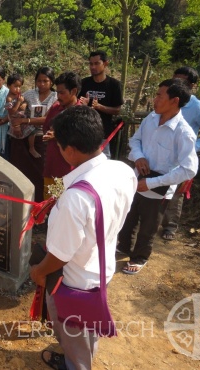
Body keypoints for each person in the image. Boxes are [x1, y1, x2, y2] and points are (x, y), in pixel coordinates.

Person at [30, 105, 137, 370]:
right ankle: (83, 355)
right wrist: (51, 199)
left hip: (73, 281)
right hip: (101, 268)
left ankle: (76, 365)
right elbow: (69, 182)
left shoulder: (76, 199)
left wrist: (39, 272)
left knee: (74, 332)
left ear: (69, 150)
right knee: (89, 327)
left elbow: (60, 255)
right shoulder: (122, 170)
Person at [117, 79, 198, 274]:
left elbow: (189, 169)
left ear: (174, 100)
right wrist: (139, 157)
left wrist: (153, 183)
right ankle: (122, 247)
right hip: (138, 179)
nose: (155, 99)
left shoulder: (183, 132)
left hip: (159, 187)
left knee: (148, 226)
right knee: (128, 217)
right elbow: (134, 140)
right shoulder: (151, 119)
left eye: (160, 95)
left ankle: (140, 257)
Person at [161, 66, 200, 240]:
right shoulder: (166, 100)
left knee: (176, 192)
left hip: (182, 157)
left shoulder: (197, 106)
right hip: (162, 152)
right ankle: (152, 219)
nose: (177, 83)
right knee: (157, 185)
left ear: (192, 85)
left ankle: (170, 227)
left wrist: (194, 147)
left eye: (183, 81)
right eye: (175, 79)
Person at [9, 67, 57, 203]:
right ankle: (22, 201)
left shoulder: (56, 97)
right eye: (39, 81)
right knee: (22, 171)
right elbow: (19, 110)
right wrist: (17, 123)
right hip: (25, 137)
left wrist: (25, 120)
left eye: (45, 81)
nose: (41, 84)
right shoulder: (29, 94)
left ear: (51, 82)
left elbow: (48, 119)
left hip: (44, 138)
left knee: (42, 173)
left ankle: (41, 204)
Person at [42, 71, 82, 200]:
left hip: (67, 172)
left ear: (74, 91)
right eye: (57, 92)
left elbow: (81, 140)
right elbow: (46, 128)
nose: (58, 96)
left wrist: (58, 135)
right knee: (49, 204)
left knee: (62, 204)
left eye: (62, 93)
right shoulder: (55, 108)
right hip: (51, 167)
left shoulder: (80, 113)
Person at [78, 51, 124, 159]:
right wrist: (82, 105)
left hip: (104, 133)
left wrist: (99, 107)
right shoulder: (83, 83)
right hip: (84, 132)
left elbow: (117, 109)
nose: (93, 67)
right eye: (91, 64)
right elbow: (76, 104)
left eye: (97, 63)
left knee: (103, 164)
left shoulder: (114, 85)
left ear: (105, 64)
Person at [6, 74, 41, 159]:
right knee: (18, 138)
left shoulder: (19, 95)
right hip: (14, 120)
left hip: (22, 117)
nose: (18, 89)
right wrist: (18, 102)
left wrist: (24, 104)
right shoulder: (9, 98)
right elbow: (11, 112)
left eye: (19, 87)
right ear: (8, 86)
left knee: (32, 131)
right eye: (15, 86)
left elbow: (24, 101)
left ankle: (31, 148)